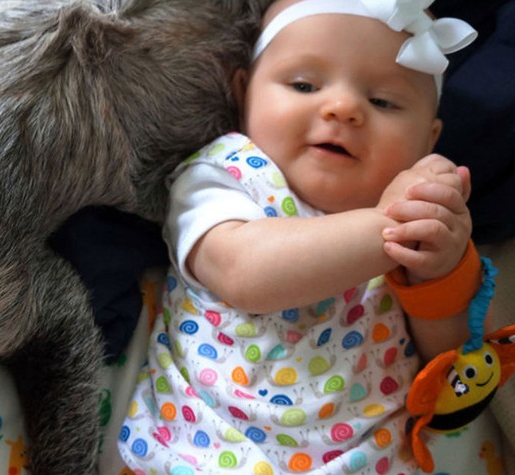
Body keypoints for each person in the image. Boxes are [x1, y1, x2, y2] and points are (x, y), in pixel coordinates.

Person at [116, 0, 488, 473]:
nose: (344, 108)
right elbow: (246, 273)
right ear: (244, 93)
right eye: (304, 85)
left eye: (383, 102)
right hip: (207, 450)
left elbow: (448, 365)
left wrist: (437, 272)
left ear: (427, 140)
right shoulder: (228, 175)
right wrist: (389, 225)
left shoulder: (422, 218)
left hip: (369, 459)